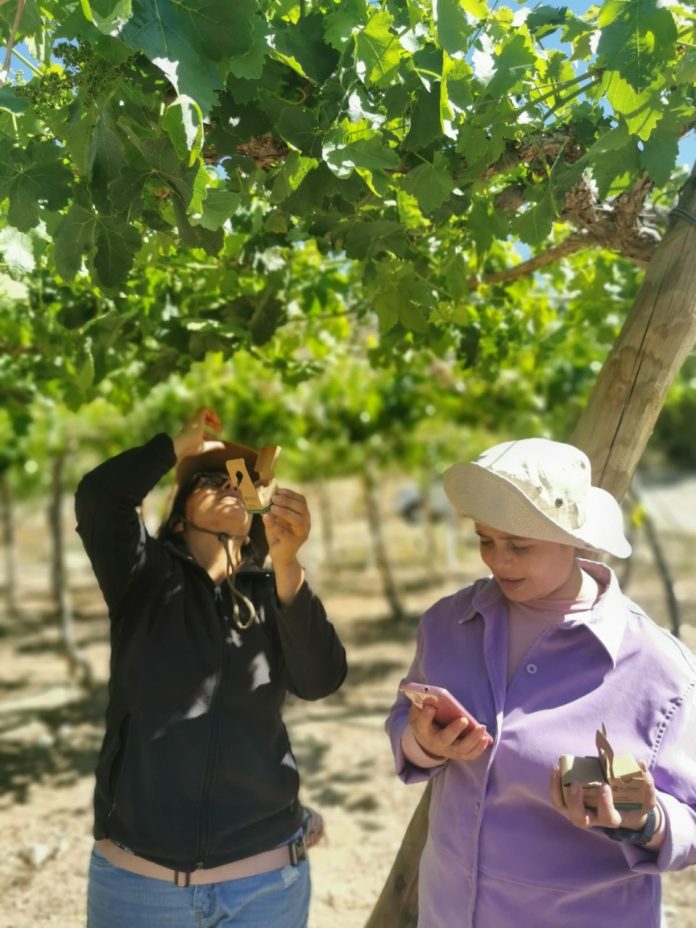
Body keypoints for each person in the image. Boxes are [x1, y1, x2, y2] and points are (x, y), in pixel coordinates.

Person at [386, 438, 696, 928]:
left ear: (574, 539)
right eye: (485, 540)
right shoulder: (447, 624)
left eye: (519, 545)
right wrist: (422, 742)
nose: (497, 560)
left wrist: (644, 822)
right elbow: (403, 719)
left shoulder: (659, 669)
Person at [76, 407, 347, 928]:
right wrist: (174, 448)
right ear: (179, 515)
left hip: (265, 882)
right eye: (210, 478)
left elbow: (321, 680)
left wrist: (287, 566)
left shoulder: (273, 596)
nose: (229, 486)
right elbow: (99, 496)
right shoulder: (144, 577)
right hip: (140, 882)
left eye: (241, 483)